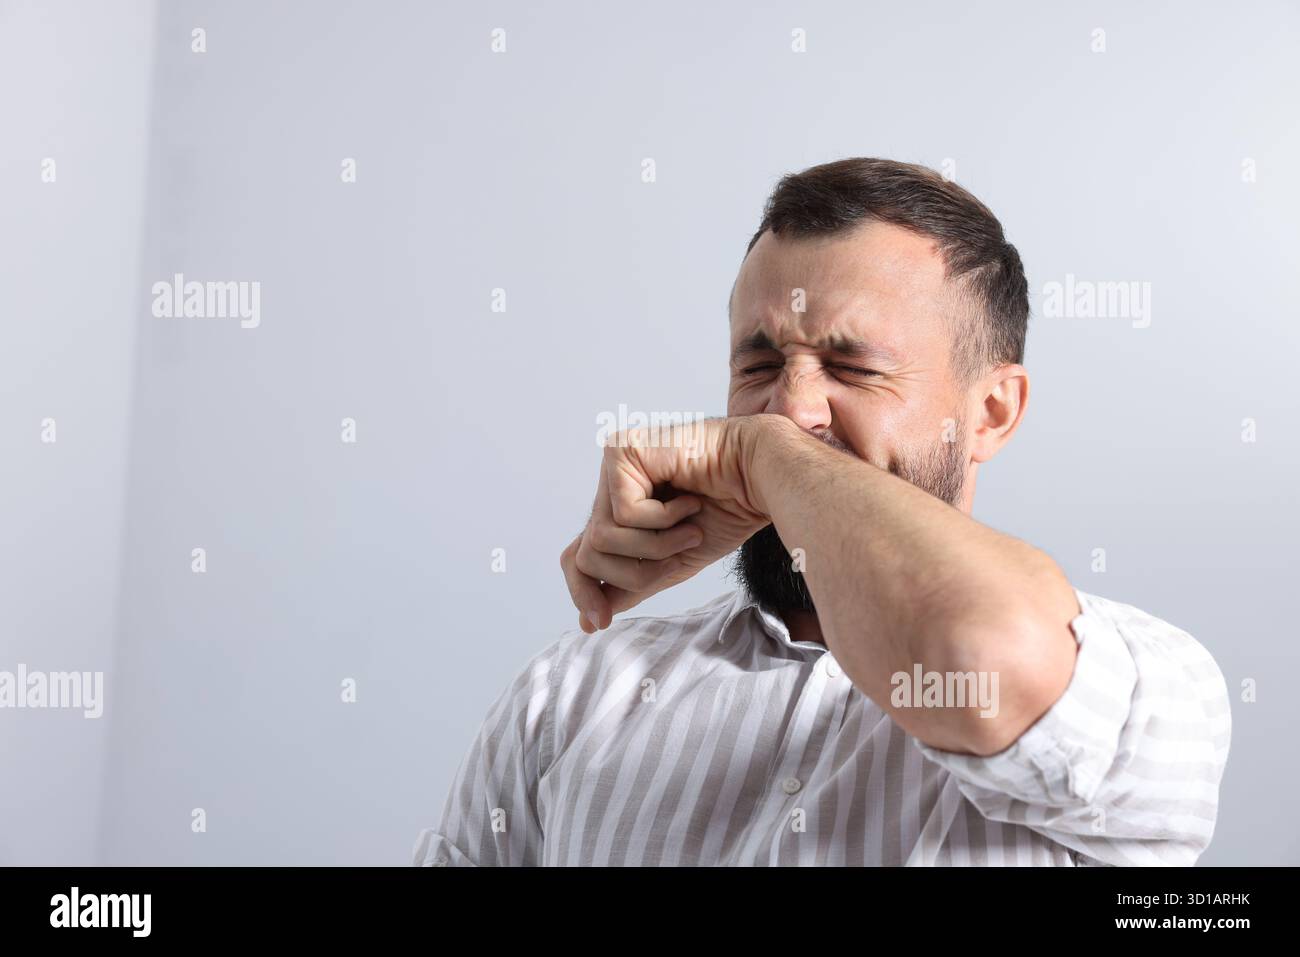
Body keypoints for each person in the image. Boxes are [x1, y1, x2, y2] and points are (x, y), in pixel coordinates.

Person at [414, 158, 1231, 866]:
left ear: (991, 413)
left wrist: (761, 455)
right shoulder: (571, 693)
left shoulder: (1153, 683)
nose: (790, 406)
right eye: (760, 361)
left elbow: (980, 652)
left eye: (853, 365)